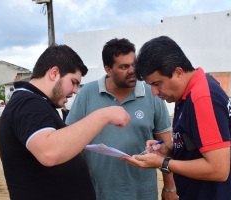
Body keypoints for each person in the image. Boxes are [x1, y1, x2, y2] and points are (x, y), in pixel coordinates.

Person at [0, 44, 130, 200]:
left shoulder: (38, 102)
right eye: (73, 82)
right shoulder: (28, 103)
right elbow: (49, 152)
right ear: (54, 73)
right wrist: (104, 115)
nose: (75, 90)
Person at [122, 36, 231, 200]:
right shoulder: (188, 94)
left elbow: (218, 169)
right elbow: (196, 144)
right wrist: (169, 150)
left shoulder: (201, 97)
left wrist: (163, 163)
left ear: (178, 72)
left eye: (157, 83)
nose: (154, 92)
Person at [66, 38, 177, 200]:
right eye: (124, 67)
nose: (132, 70)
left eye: (134, 64)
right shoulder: (87, 94)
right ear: (108, 69)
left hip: (143, 193)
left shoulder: (152, 94)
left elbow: (165, 146)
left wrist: (169, 186)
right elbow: (71, 141)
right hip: (98, 193)